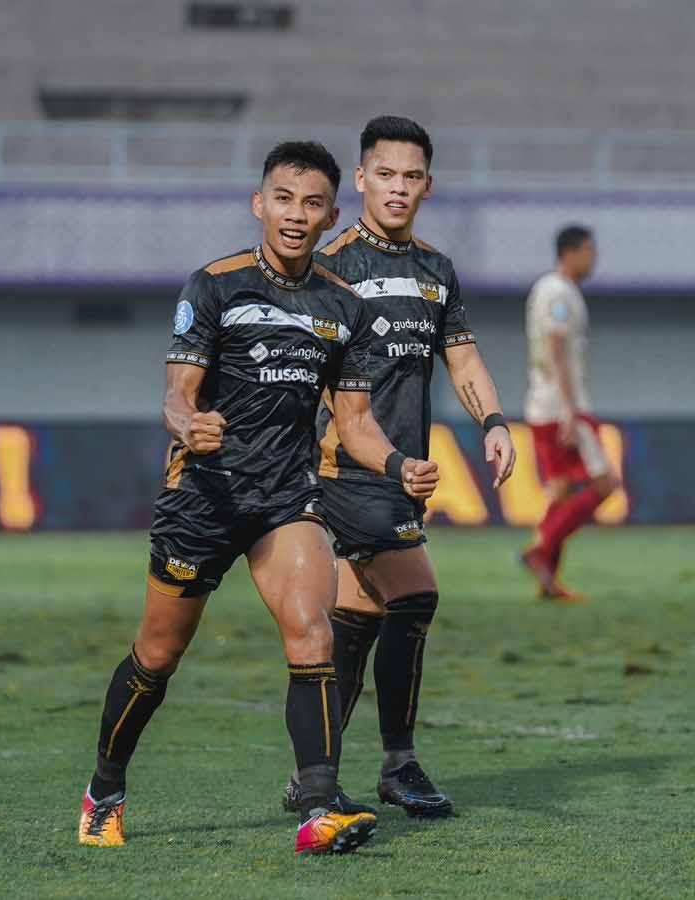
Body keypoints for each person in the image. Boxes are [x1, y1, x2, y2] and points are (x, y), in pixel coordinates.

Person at [76, 141, 440, 856]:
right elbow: (176, 397)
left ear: (330, 215)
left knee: (313, 634)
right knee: (157, 655)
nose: (296, 215)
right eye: (283, 199)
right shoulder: (214, 286)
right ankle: (105, 790)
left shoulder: (343, 307)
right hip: (204, 498)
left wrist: (399, 465)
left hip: (286, 498)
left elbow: (355, 422)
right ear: (259, 204)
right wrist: (190, 425)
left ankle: (318, 808)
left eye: (312, 204)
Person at [284, 115, 515, 820]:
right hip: (345, 468)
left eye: (411, 177)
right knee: (415, 594)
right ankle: (398, 763)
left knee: (359, 615)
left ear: (428, 186)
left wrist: (494, 422)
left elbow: (463, 359)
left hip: (404, 473)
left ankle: (313, 774)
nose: (398, 188)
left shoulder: (436, 272)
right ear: (360, 179)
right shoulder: (331, 266)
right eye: (384, 174)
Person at [519, 225, 620, 604]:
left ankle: (548, 581)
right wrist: (569, 411)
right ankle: (541, 550)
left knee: (561, 490)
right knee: (605, 483)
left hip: (543, 404)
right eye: (590, 250)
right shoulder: (559, 292)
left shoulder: (550, 289)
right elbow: (556, 348)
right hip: (559, 406)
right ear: (571, 252)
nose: (594, 258)